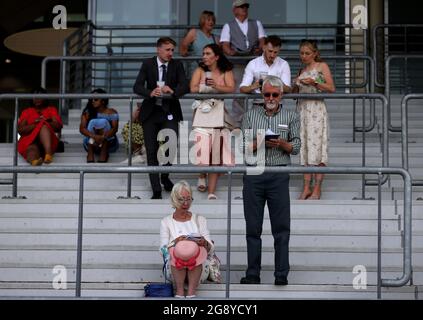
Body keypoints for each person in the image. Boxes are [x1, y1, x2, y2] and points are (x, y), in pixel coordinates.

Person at [240, 75, 300, 286]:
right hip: (254, 174)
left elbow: (297, 147)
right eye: (267, 94)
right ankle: (252, 274)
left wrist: (282, 144)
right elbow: (243, 147)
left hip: (279, 174)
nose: (271, 97)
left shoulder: (292, 116)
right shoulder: (249, 115)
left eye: (275, 94)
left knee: (281, 228)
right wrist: (260, 142)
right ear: (262, 95)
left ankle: (281, 274)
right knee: (253, 228)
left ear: (281, 94)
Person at [133, 37, 189, 199]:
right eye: (167, 49)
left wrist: (172, 90)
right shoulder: (148, 64)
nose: (171, 53)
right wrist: (150, 92)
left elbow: (185, 86)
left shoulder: (177, 65)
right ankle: (155, 188)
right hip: (151, 112)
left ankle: (164, 176)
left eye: (172, 50)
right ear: (158, 49)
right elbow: (137, 86)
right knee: (151, 151)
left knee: (170, 145)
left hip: (169, 111)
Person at [190, 43, 235, 199]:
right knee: (202, 153)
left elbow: (231, 89)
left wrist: (216, 86)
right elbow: (192, 88)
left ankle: (211, 192)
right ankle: (202, 174)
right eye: (203, 53)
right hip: (202, 114)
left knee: (215, 156)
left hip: (218, 114)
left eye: (208, 53)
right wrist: (206, 87)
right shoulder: (200, 70)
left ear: (216, 56)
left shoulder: (225, 70)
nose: (204, 56)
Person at [292, 39, 335, 200]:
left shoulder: (321, 67)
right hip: (303, 112)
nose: (304, 56)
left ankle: (317, 188)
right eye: (302, 53)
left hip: (317, 110)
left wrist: (315, 82)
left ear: (315, 53)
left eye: (307, 53)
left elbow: (331, 88)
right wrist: (295, 84)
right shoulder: (301, 70)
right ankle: (306, 187)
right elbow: (294, 94)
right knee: (305, 149)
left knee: (318, 149)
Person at [160, 181, 214, 298]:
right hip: (173, 269)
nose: (185, 203)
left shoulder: (200, 219)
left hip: (199, 270)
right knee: (178, 253)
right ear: (174, 199)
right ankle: (179, 292)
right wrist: (175, 242)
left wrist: (204, 243)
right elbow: (162, 250)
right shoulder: (166, 222)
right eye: (181, 199)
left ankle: (191, 293)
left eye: (188, 199)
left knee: (194, 252)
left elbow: (211, 249)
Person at [220, 0, 266, 128]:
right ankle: (239, 122)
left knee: (259, 90)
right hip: (238, 64)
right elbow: (224, 45)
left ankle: (258, 118)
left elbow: (263, 41)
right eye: (241, 7)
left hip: (255, 62)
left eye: (245, 6)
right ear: (234, 9)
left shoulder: (256, 23)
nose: (244, 9)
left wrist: (259, 49)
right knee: (239, 92)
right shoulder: (228, 26)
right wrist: (231, 53)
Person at [240, 35, 292, 107]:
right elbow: (242, 89)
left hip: (277, 105)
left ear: (279, 51)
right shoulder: (253, 63)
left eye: (275, 52)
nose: (272, 55)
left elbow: (288, 89)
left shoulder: (283, 64)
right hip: (258, 104)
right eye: (270, 51)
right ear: (264, 47)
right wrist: (253, 86)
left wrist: (276, 82)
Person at [17, 87, 63, 165]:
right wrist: (36, 124)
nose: (37, 99)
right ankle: (34, 162)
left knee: (43, 125)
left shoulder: (51, 109)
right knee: (31, 149)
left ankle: (48, 154)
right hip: (30, 140)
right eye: (34, 97)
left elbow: (58, 126)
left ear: (45, 98)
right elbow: (21, 130)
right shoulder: (27, 111)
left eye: (40, 96)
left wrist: (43, 122)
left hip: (48, 141)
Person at [79, 88, 119, 163]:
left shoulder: (111, 112)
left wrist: (102, 137)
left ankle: (103, 152)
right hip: (91, 142)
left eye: (96, 99)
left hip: (109, 143)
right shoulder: (87, 112)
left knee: (103, 121)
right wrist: (94, 136)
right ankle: (90, 153)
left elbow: (114, 129)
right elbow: (82, 129)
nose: (93, 101)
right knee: (93, 122)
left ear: (103, 101)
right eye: (91, 99)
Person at [179, 10, 220, 76]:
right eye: (209, 20)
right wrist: (187, 55)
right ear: (203, 21)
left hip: (211, 72)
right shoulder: (194, 32)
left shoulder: (216, 38)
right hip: (196, 70)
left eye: (213, 20)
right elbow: (183, 48)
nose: (211, 22)